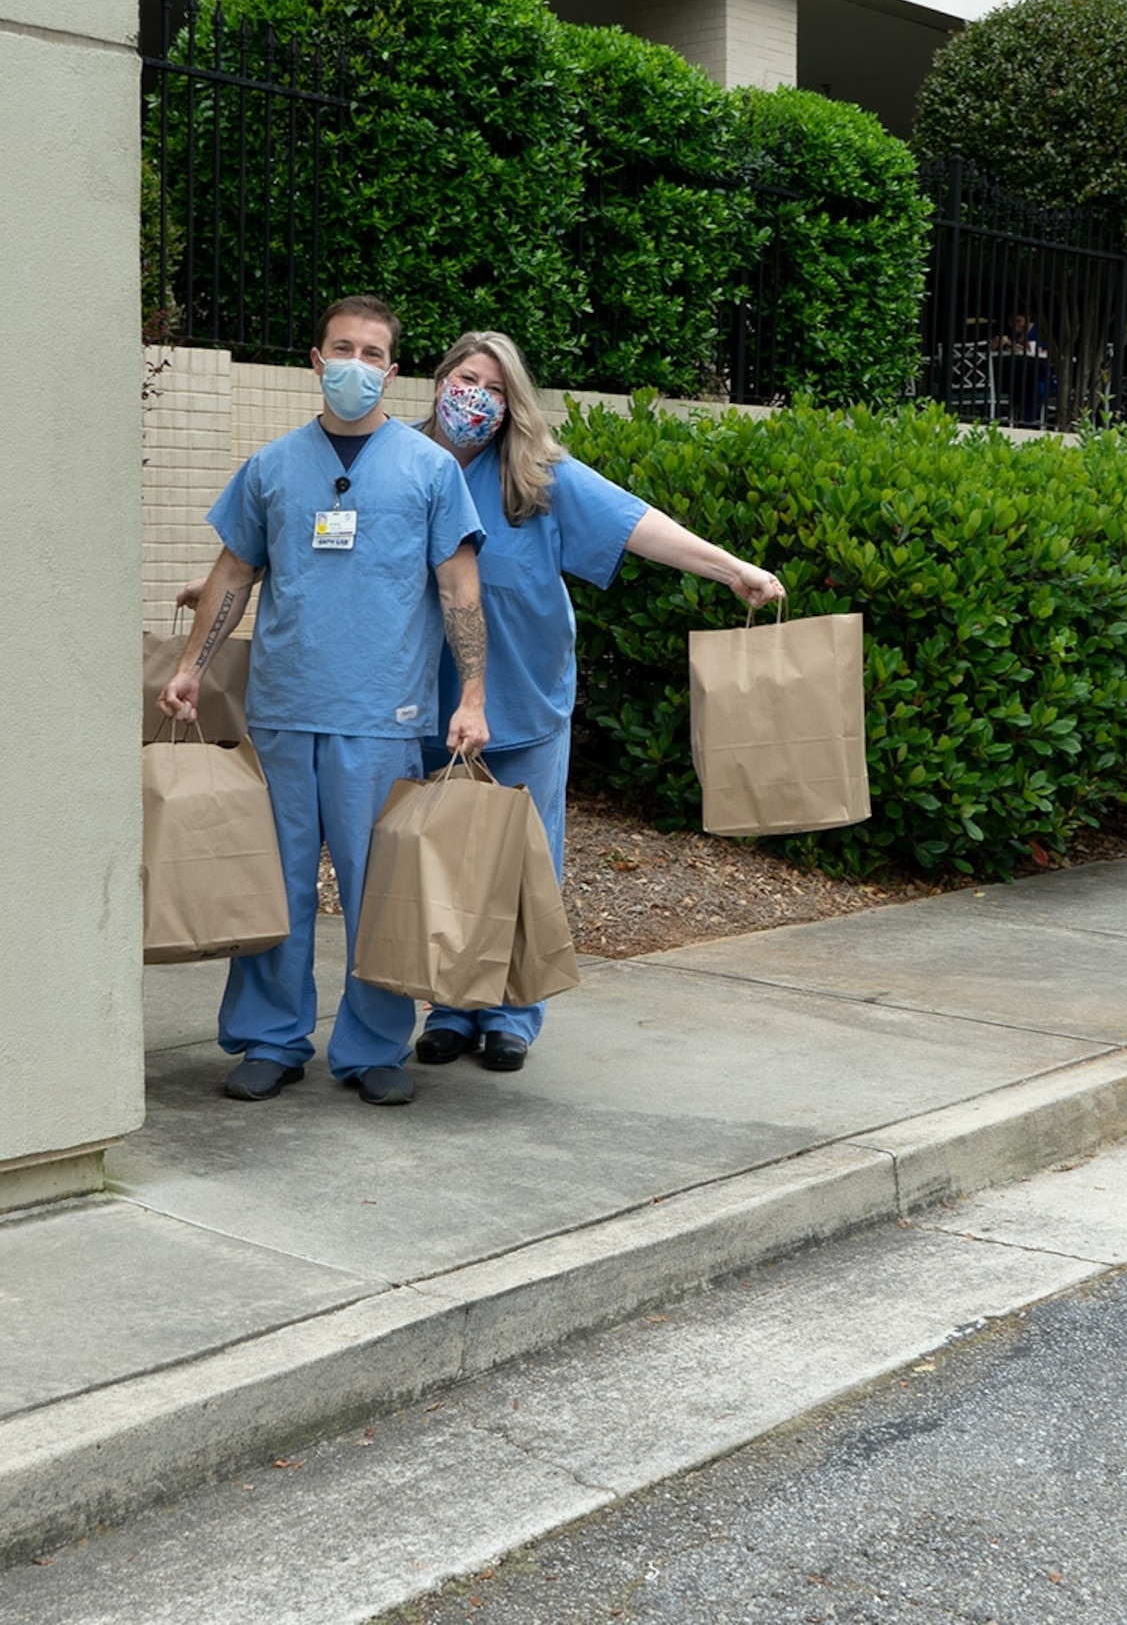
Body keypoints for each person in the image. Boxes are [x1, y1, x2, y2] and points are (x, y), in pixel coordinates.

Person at [404, 330, 781, 1072]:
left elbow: (638, 526)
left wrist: (730, 569)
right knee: (442, 857)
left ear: (513, 405)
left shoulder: (539, 479)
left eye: (494, 387)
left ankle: (513, 1011)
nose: (474, 396)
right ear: (440, 380)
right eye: (464, 378)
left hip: (526, 701)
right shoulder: (405, 464)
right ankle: (450, 1004)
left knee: (523, 858)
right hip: (426, 705)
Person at [159, 296, 489, 1109]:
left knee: (382, 888)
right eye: (342, 347)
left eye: (372, 352)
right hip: (280, 710)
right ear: (315, 359)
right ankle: (272, 1038)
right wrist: (194, 666)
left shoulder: (430, 471)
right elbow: (232, 576)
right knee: (276, 885)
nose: (355, 363)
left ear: (392, 370)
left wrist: (474, 692)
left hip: (384, 718)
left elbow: (459, 591)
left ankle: (374, 1047)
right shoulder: (272, 467)